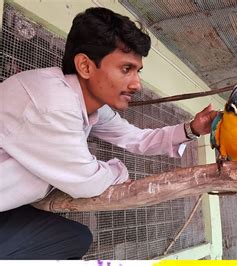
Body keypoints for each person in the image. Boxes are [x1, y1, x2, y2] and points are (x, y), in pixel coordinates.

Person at [0, 7, 217, 259]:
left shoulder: (86, 102)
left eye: (138, 71)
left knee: (74, 238)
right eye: (126, 69)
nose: (136, 84)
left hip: (9, 206)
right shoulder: (52, 103)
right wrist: (119, 171)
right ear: (85, 66)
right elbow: (87, 181)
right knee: (72, 240)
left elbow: (136, 138)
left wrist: (190, 129)